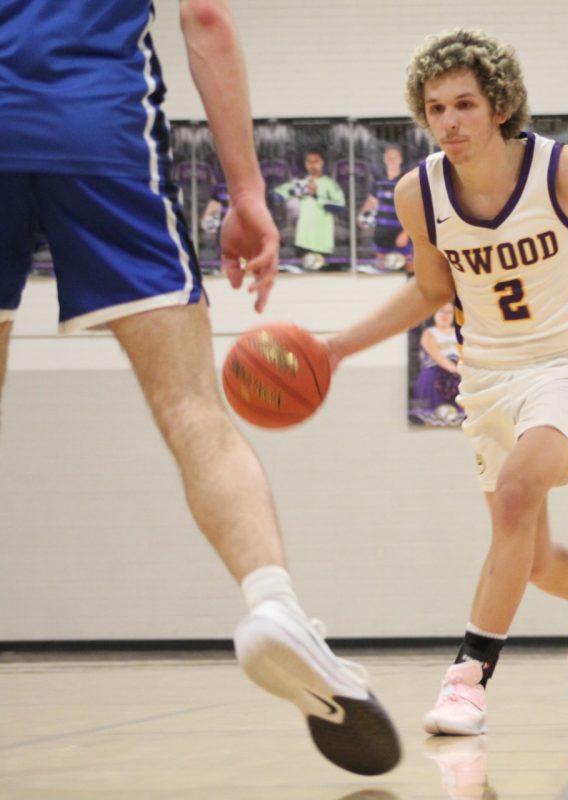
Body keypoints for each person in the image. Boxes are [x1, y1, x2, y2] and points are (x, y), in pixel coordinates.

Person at [0, 0, 399, 776]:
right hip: (97, 125)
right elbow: (206, 16)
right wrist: (248, 192)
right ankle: (272, 604)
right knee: (190, 406)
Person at [323, 28, 568, 736]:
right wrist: (338, 346)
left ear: (498, 106)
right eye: (436, 109)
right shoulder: (418, 194)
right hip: (487, 377)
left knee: (519, 492)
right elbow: (429, 290)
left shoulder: (563, 169)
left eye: (464, 104)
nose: (451, 122)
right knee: (533, 555)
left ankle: (467, 678)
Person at [273, 149, 345, 270]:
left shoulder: (330, 184)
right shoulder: (300, 183)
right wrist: (294, 192)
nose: (312, 165)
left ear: (322, 163)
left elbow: (340, 207)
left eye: (316, 161)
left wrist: (316, 195)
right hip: (303, 240)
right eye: (309, 162)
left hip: (322, 241)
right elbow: (276, 194)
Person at [357, 145, 415, 274]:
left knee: (410, 265)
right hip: (382, 230)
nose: (392, 160)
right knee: (380, 267)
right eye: (389, 158)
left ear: (401, 159)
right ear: (384, 159)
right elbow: (372, 201)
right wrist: (361, 216)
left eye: (395, 158)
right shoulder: (379, 182)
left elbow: (413, 208)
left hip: (400, 231)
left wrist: (405, 233)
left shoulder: (406, 181)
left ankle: (413, 288)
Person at [413, 303, 464, 424]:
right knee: (434, 419)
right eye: (441, 311)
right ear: (434, 314)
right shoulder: (429, 333)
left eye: (449, 312)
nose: (445, 315)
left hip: (457, 380)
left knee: (457, 419)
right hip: (434, 379)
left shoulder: (460, 333)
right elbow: (437, 357)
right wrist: (458, 372)